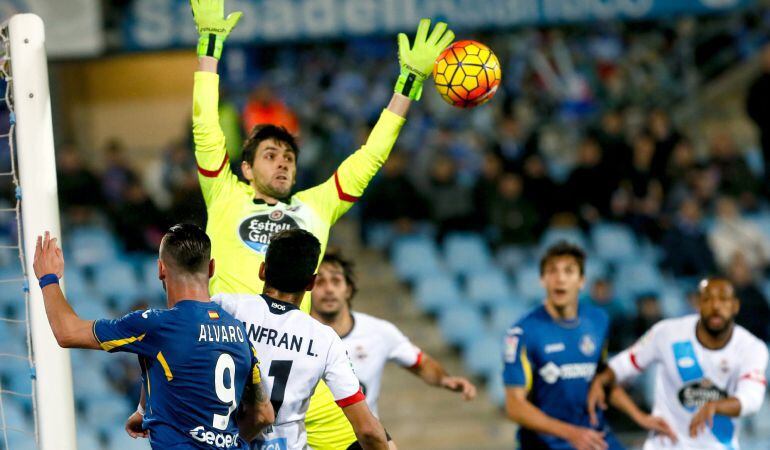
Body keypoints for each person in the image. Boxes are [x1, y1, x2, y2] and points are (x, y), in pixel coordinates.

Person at [188, 1, 454, 446]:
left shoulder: (316, 206)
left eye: (289, 158)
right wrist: (209, 49)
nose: (283, 164)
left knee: (371, 438)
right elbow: (205, 127)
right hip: (226, 365)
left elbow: (370, 157)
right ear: (247, 169)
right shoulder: (223, 193)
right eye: (270, 156)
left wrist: (407, 84)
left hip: (297, 375)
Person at [32, 225, 273, 448]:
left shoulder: (156, 325)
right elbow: (263, 414)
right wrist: (143, 409)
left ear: (160, 269)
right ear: (211, 268)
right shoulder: (239, 332)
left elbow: (67, 332)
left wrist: (48, 279)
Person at [213, 230, 389, 450]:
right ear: (311, 282)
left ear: (262, 271)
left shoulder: (223, 308)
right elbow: (368, 431)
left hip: (220, 442)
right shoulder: (325, 340)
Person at [502, 242, 670, 450]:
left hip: (595, 437)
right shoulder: (523, 333)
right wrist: (571, 433)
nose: (560, 279)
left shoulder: (597, 320)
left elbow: (601, 378)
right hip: (548, 443)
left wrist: (640, 416)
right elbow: (514, 406)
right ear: (542, 280)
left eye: (568, 271)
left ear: (581, 281)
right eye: (552, 271)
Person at [588, 278, 768, 450]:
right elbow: (620, 367)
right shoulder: (666, 333)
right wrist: (638, 415)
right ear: (698, 304)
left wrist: (715, 405)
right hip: (665, 445)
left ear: (735, 306)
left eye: (723, 299)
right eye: (708, 299)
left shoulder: (752, 348)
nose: (715, 306)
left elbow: (751, 399)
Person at [310, 251, 477, 418]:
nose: (329, 289)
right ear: (307, 290)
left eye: (336, 281)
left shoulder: (378, 331)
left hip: (362, 440)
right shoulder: (297, 334)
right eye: (320, 282)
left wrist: (444, 380)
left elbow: (420, 362)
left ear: (348, 289)